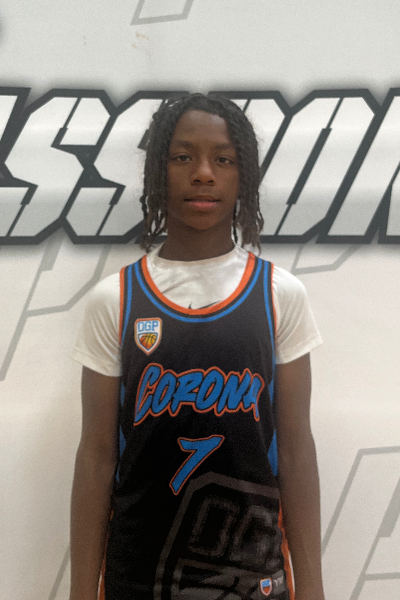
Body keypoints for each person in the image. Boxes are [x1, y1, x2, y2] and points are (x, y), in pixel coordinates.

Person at [69, 93, 325, 600]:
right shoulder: (115, 299)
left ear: (243, 176)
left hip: (252, 576)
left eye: (223, 159)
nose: (203, 173)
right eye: (183, 156)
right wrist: (80, 591)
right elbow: (96, 456)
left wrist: (313, 590)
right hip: (138, 576)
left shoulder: (279, 295)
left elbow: (296, 451)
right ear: (157, 173)